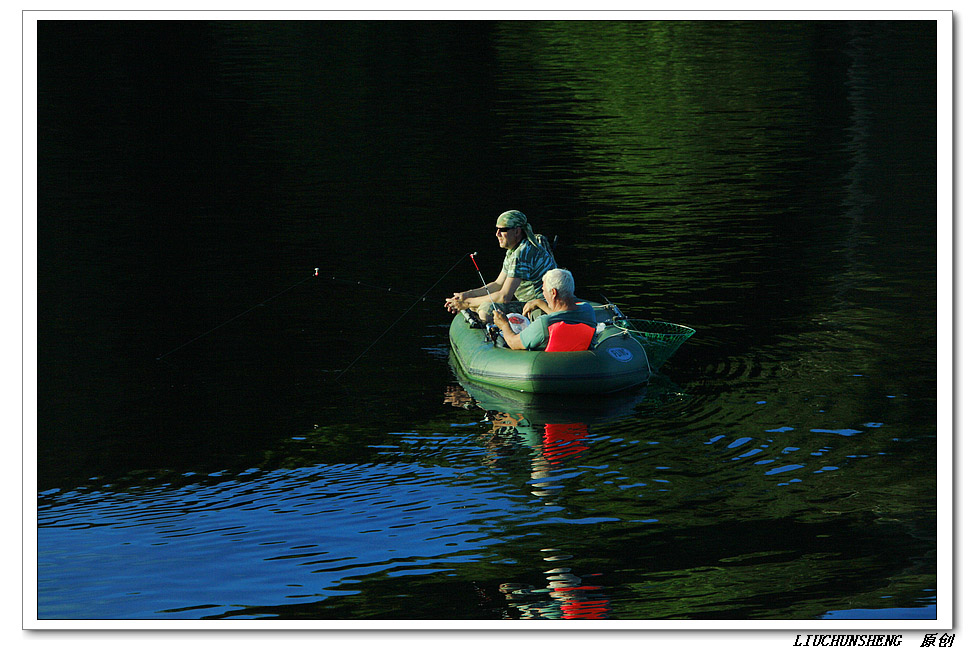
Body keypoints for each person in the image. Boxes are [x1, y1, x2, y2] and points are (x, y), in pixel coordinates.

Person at [444, 210, 556, 321]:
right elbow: (498, 284)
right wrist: (467, 295)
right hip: (529, 303)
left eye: (503, 230)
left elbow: (504, 296)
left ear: (517, 231)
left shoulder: (521, 254)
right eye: (497, 229)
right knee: (479, 305)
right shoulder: (515, 249)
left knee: (485, 311)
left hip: (540, 306)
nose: (497, 234)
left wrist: (466, 303)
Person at [492, 268, 597, 351]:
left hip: (547, 370)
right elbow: (562, 316)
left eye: (544, 291)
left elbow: (514, 343)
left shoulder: (543, 324)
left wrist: (504, 324)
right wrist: (540, 303)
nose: (544, 294)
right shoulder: (588, 311)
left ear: (553, 293)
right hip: (580, 366)